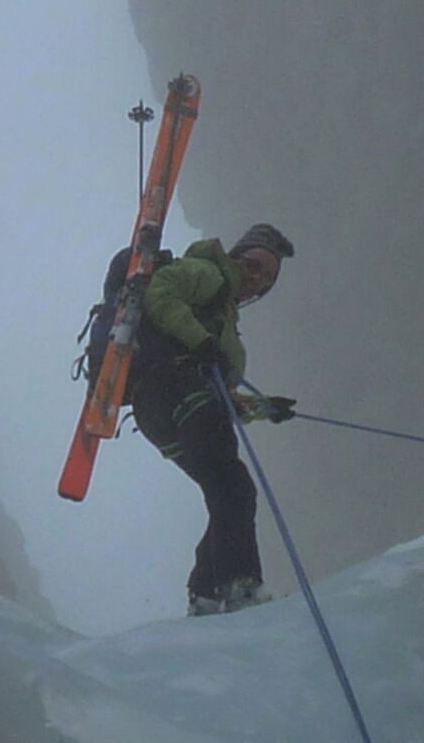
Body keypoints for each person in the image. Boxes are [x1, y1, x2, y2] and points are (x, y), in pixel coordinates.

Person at [130, 223, 298, 616]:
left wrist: (265, 408)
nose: (257, 280)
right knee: (231, 484)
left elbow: (222, 398)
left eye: (268, 278)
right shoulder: (209, 273)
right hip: (178, 389)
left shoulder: (224, 323)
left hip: (162, 410)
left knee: (229, 491)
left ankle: (205, 595)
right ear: (237, 257)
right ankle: (239, 585)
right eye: (254, 266)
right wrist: (202, 342)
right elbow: (160, 291)